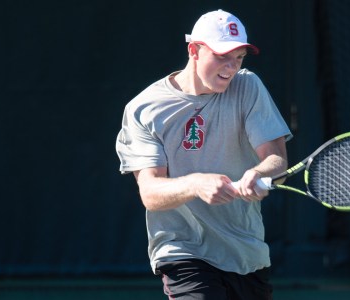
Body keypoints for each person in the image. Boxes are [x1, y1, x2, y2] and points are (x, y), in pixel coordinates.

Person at [115, 9, 291, 300]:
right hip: (184, 252)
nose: (231, 67)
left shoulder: (248, 87)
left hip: (246, 254)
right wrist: (195, 184)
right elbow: (150, 192)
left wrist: (258, 173)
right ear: (194, 50)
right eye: (222, 56)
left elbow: (277, 161)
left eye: (239, 58)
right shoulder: (144, 109)